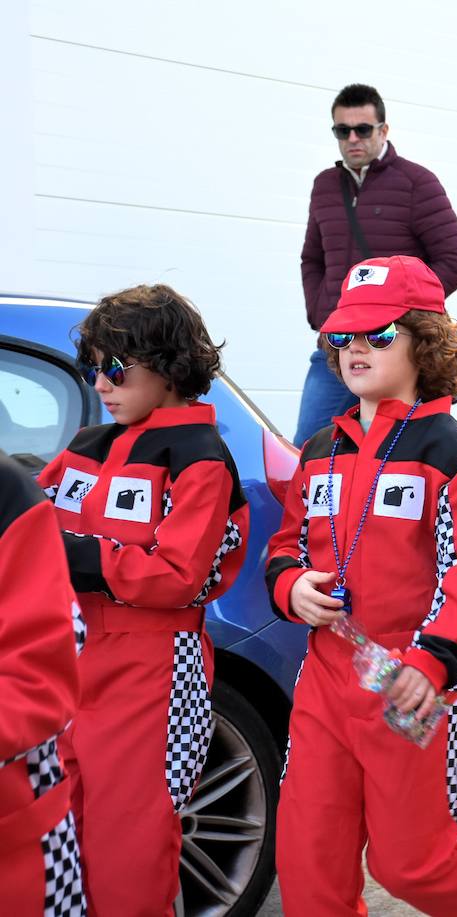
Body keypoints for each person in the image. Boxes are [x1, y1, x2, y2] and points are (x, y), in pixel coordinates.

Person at [266, 255, 457, 915]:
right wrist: (291, 588)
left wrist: (432, 659)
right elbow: (284, 546)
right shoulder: (320, 450)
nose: (356, 348)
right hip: (327, 674)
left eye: (379, 334)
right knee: (308, 858)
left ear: (425, 340)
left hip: (412, 680)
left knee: (410, 863)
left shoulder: (450, 451)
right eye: (344, 337)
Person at [37, 284, 250, 915]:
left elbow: (177, 574)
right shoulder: (88, 446)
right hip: (69, 654)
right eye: (91, 367)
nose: (100, 383)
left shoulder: (200, 458)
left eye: (115, 367)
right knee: (56, 835)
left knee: (127, 846)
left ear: (171, 365)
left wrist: (74, 554)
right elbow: (27, 527)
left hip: (153, 665)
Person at [296, 82, 457, 447]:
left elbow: (455, 259)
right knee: (309, 448)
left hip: (397, 347)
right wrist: (322, 313)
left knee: (414, 448)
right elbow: (312, 258)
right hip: (339, 342)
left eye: (362, 129)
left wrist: (404, 311)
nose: (352, 138)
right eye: (342, 131)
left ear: (384, 130)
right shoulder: (325, 186)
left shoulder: (416, 182)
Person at [0, 450, 85, 916]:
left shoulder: (8, 493)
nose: (103, 386)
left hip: (15, 857)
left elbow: (37, 680)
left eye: (118, 372)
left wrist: (96, 559)